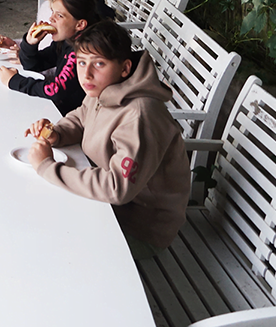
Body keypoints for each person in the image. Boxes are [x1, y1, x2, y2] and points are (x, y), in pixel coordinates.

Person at [24, 21, 190, 259]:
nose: (87, 74)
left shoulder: (140, 115)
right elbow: (82, 117)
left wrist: (47, 167)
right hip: (108, 209)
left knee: (49, 245)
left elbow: (116, 187)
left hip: (138, 228)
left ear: (125, 68)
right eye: (81, 62)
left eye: (99, 63)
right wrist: (56, 133)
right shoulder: (103, 87)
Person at [0, 0, 96, 115]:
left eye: (59, 15)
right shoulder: (66, 40)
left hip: (72, 116)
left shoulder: (81, 51)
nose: (51, 18)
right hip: (59, 107)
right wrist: (30, 44)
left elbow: (56, 91)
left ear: (80, 25)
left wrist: (15, 81)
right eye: (52, 13)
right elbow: (35, 66)